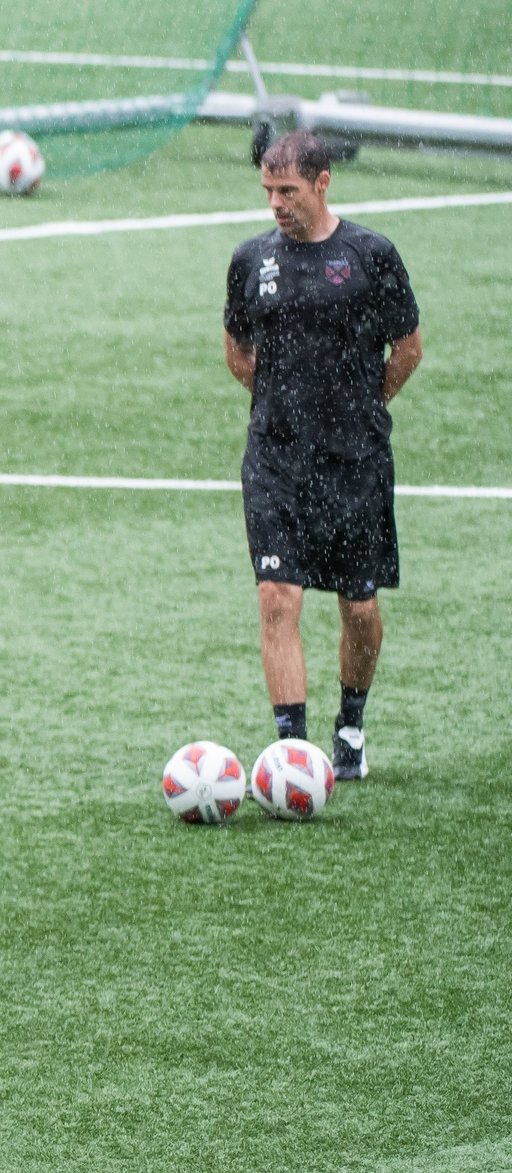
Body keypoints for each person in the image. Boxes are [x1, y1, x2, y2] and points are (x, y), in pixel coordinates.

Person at [223, 131, 422, 779]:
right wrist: (286, 408)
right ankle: (294, 752)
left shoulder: (371, 255)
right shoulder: (250, 260)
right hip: (276, 461)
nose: (276, 204)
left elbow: (407, 348)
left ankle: (351, 728)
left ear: (323, 182)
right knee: (278, 596)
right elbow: (237, 351)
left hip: (354, 462)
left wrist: (361, 409)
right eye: (268, 192)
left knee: (359, 608)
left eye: (288, 191)